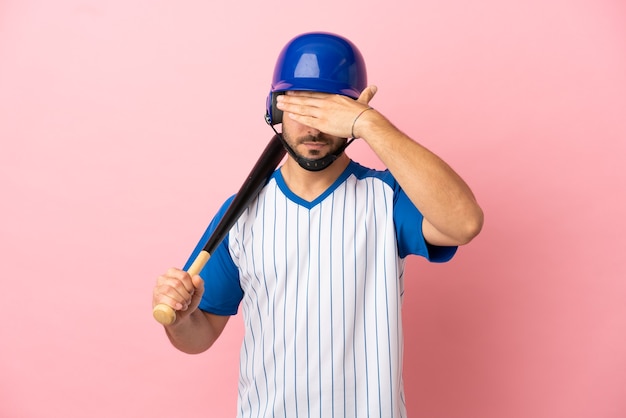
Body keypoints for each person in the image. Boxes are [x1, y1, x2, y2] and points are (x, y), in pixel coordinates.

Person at [152, 32, 483, 417]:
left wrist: (371, 125)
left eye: (328, 109)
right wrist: (181, 317)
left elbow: (465, 222)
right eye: (301, 107)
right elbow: (198, 336)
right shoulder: (242, 212)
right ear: (275, 109)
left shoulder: (386, 198)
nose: (314, 126)